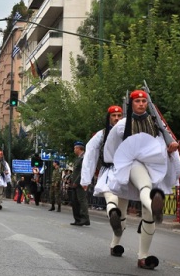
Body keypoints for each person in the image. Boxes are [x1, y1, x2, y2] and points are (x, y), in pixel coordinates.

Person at [104, 89, 180, 270]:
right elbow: (110, 149)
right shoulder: (122, 125)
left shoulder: (156, 122)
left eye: (144, 101)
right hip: (131, 163)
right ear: (132, 104)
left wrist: (170, 149)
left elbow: (163, 143)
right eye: (137, 101)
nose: (141, 104)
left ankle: (143, 257)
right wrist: (113, 166)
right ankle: (151, 204)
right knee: (142, 187)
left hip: (152, 163)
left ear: (147, 103)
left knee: (148, 217)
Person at [81, 105, 126, 256]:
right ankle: (112, 211)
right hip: (109, 171)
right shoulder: (102, 134)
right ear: (109, 118)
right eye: (114, 116)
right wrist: (85, 179)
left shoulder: (130, 133)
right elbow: (90, 153)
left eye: (120, 116)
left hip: (126, 173)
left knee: (123, 214)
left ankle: (115, 245)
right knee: (111, 198)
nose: (117, 118)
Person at [69, 141, 90, 226]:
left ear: (78, 148)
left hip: (81, 183)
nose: (74, 150)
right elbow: (75, 171)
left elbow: (82, 172)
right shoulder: (78, 158)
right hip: (75, 183)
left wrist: (76, 182)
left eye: (75, 148)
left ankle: (85, 219)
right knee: (75, 202)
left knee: (82, 201)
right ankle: (77, 219)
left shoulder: (84, 158)